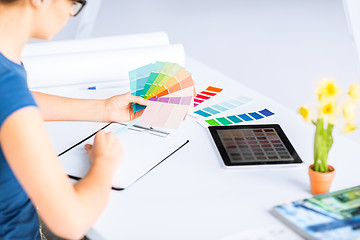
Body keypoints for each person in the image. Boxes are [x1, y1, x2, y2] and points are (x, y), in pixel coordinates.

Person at [0, 0, 149, 239]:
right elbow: (72, 222)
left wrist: (103, 109)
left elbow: (16, 103)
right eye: (74, 3)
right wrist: (105, 162)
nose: (71, 13)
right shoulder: (7, 86)